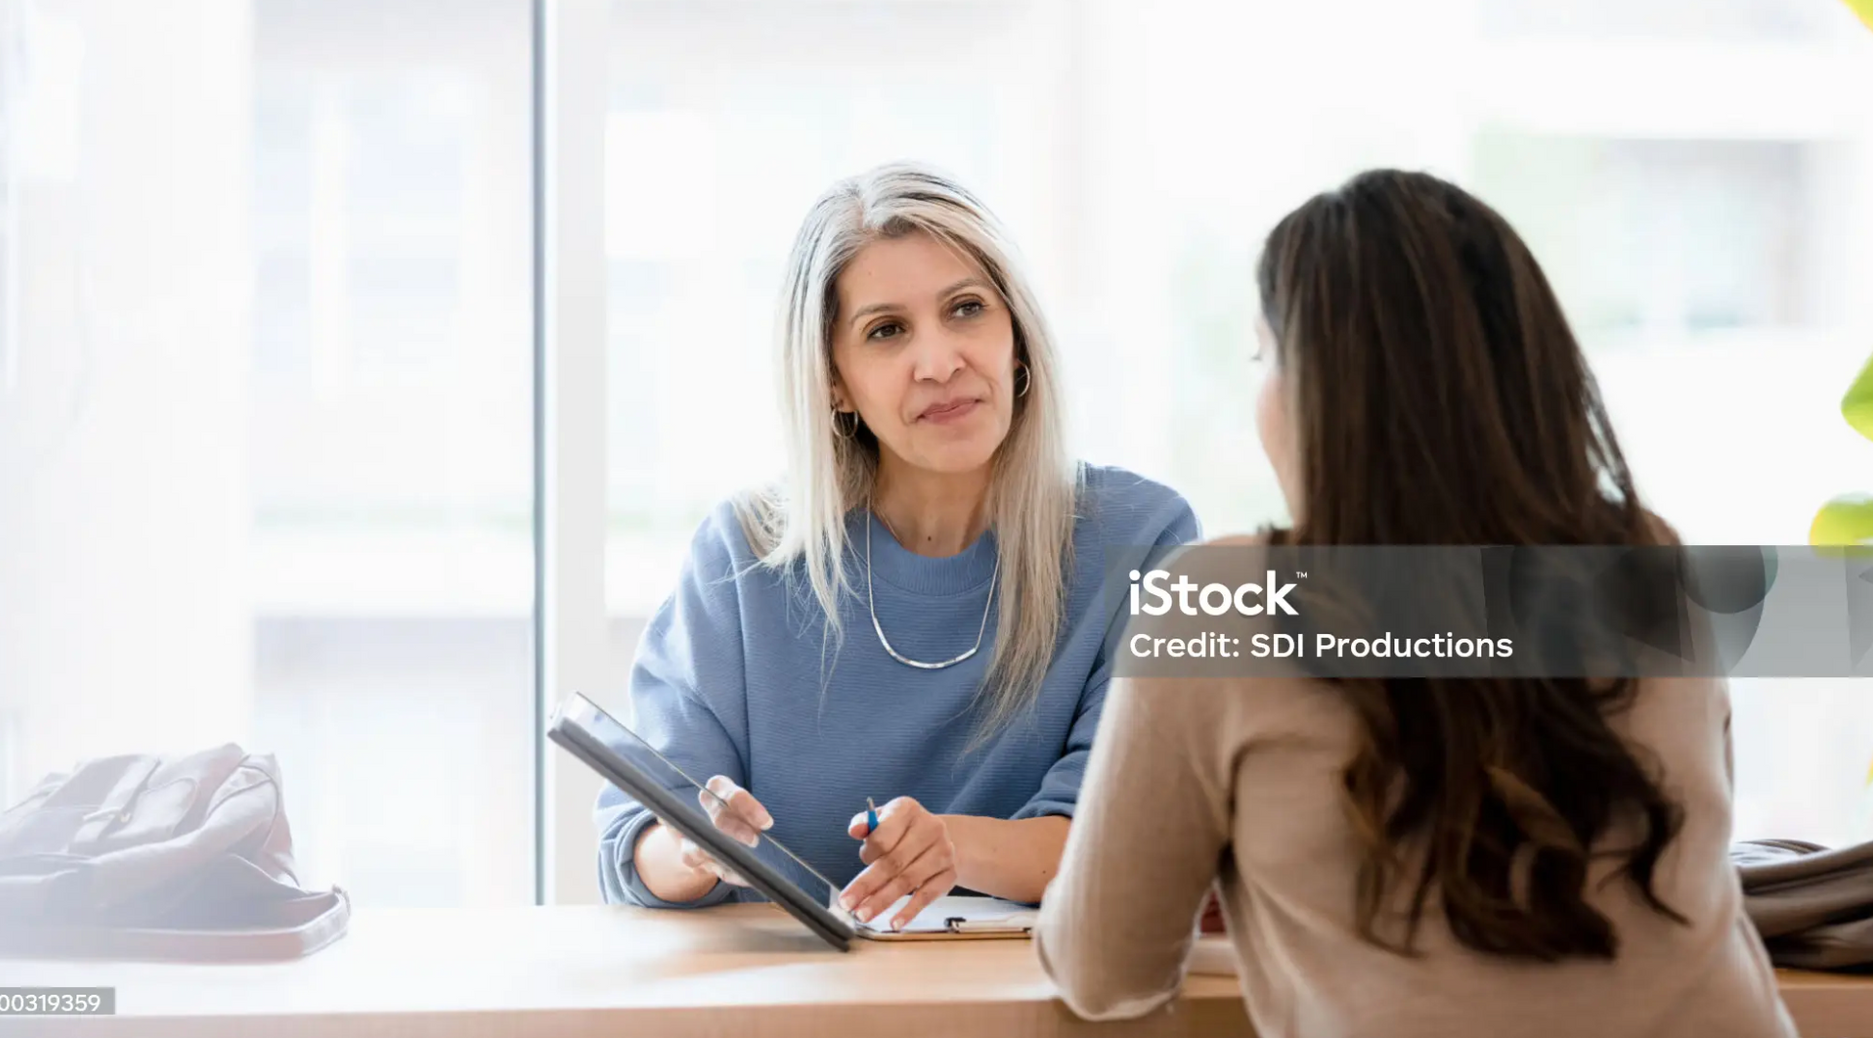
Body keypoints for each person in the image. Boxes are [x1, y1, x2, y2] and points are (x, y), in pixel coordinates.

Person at [1036, 170, 1795, 1036]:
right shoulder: (1644, 557)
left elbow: (1103, 974)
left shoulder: (1217, 603)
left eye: (1264, 357)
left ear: (1319, 390)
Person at [597, 163, 1199, 930]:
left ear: (1016, 337)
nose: (940, 361)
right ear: (833, 381)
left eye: (966, 309)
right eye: (886, 331)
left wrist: (953, 845)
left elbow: (1129, 838)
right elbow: (633, 837)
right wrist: (692, 846)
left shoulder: (1144, 541)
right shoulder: (744, 554)